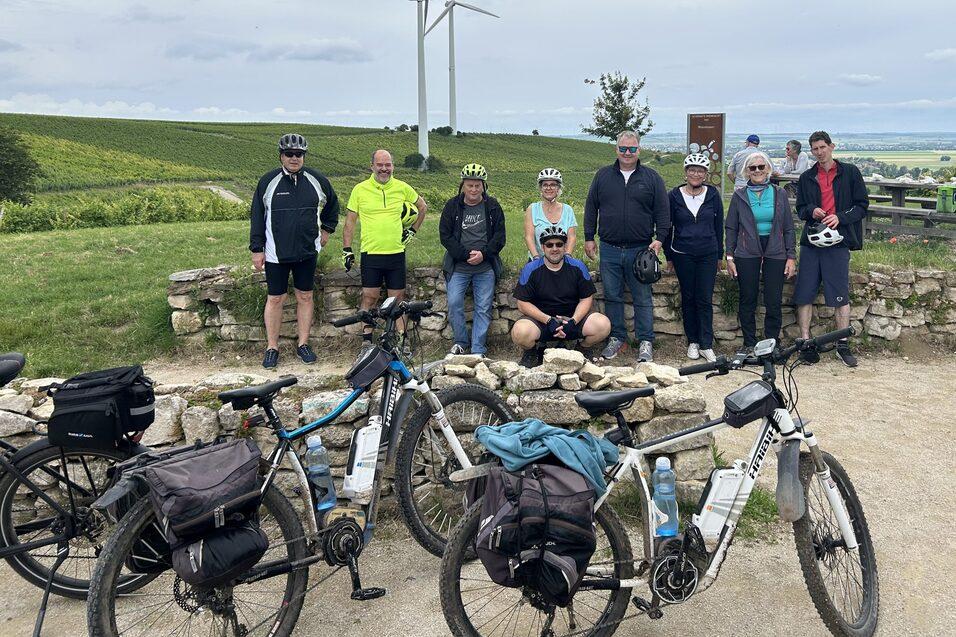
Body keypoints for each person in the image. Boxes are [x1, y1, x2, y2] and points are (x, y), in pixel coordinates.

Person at [250, 133, 340, 369]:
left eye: (298, 154)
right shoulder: (268, 182)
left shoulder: (316, 180)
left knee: (305, 296)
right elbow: (257, 216)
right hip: (275, 253)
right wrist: (256, 249)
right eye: (289, 154)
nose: (294, 158)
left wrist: (327, 229)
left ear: (303, 156)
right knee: (276, 298)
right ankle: (272, 347)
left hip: (307, 250)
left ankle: (303, 344)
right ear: (281, 155)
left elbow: (333, 204)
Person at [584, 130, 670, 362]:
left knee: (643, 297)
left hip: (641, 249)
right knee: (612, 296)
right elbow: (591, 207)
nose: (627, 153)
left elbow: (663, 211)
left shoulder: (651, 178)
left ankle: (645, 341)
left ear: (639, 150)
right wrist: (589, 237)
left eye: (632, 149)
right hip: (609, 248)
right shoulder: (602, 176)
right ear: (616, 150)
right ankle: (617, 338)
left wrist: (660, 238)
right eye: (623, 149)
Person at [794, 131, 869, 367]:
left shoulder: (850, 173)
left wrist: (841, 218)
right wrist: (812, 210)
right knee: (804, 292)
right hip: (812, 242)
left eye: (822, 147)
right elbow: (801, 208)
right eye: (815, 149)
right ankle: (805, 342)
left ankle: (842, 344)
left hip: (838, 241)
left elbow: (862, 206)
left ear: (831, 146)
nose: (819, 152)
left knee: (839, 294)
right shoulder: (807, 177)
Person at [342, 149, 427, 347]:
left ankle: (401, 341)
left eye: (388, 165)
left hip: (396, 252)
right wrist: (347, 249)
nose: (384, 169)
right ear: (371, 166)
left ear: (393, 167)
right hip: (371, 253)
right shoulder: (360, 189)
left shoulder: (402, 187)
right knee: (369, 297)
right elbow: (350, 223)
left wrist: (413, 230)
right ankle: (366, 340)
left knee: (397, 300)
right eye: (380, 165)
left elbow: (422, 207)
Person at [725, 151, 797, 356]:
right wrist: (729, 256)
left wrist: (791, 256)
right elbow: (731, 227)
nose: (757, 171)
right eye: (752, 168)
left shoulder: (779, 193)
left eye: (761, 167)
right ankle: (749, 342)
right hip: (747, 251)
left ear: (768, 170)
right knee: (748, 297)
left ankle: (772, 343)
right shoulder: (739, 195)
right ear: (746, 172)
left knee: (773, 299)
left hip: (775, 249)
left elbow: (789, 227)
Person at [511, 226, 611, 368]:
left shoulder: (578, 267)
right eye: (549, 245)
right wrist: (548, 320)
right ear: (543, 247)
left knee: (603, 324)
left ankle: (582, 348)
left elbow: (586, 298)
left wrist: (573, 321)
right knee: (519, 332)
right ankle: (532, 352)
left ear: (565, 247)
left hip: (571, 320)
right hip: (542, 321)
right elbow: (522, 303)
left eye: (559, 244)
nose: (554, 248)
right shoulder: (531, 269)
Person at [439, 163, 507, 357]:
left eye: (478, 185)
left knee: (483, 307)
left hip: (485, 266)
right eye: (470, 185)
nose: (474, 190)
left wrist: (484, 254)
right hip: (459, 266)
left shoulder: (492, 206)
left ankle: (478, 348)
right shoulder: (452, 206)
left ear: (484, 186)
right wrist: (464, 255)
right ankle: (461, 342)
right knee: (453, 303)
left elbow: (500, 237)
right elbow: (445, 235)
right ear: (463, 185)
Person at [662, 153, 724, 363]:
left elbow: (718, 227)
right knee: (688, 297)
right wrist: (668, 256)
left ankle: (706, 344)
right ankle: (693, 342)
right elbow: (668, 226)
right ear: (686, 172)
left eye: (700, 170)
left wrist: (719, 255)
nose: (696, 174)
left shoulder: (713, 195)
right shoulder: (674, 196)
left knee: (704, 299)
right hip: (682, 253)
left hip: (707, 253)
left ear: (705, 174)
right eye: (692, 170)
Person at [524, 168, 577, 259]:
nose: (549, 188)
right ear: (541, 188)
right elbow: (529, 237)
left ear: (558, 188)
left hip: (561, 260)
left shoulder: (568, 210)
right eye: (545, 185)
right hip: (538, 259)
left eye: (553, 185)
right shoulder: (532, 209)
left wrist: (567, 255)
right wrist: (536, 258)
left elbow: (571, 237)